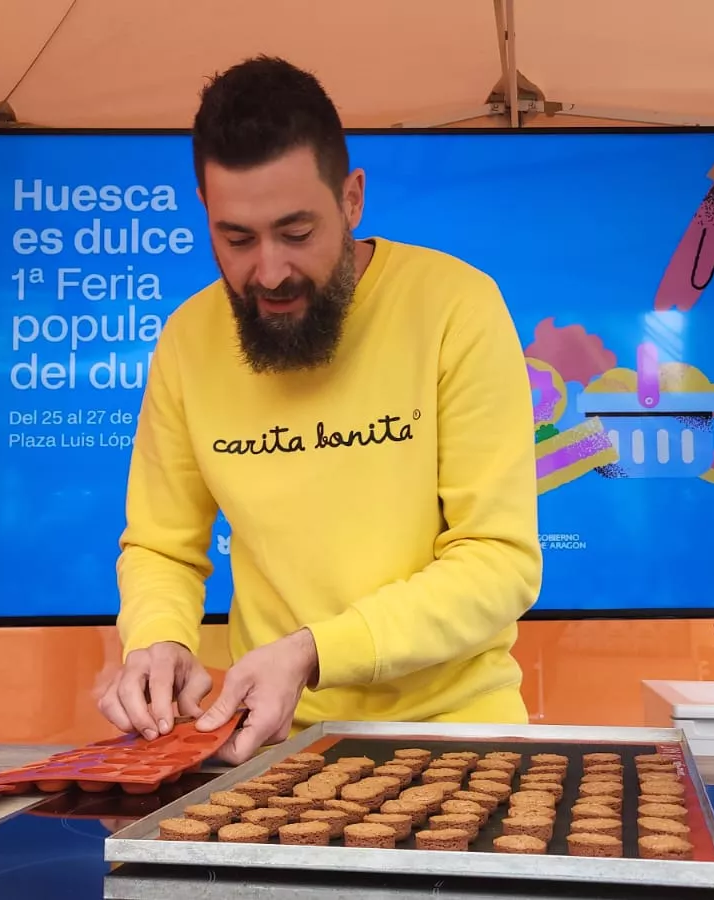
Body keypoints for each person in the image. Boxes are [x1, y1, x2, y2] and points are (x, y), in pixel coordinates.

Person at [96, 56, 541, 764]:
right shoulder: (187, 340)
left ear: (353, 199)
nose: (268, 272)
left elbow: (498, 561)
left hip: (462, 736)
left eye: (296, 233)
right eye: (236, 239)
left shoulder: (456, 307)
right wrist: (158, 641)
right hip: (271, 746)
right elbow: (161, 546)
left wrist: (315, 652)